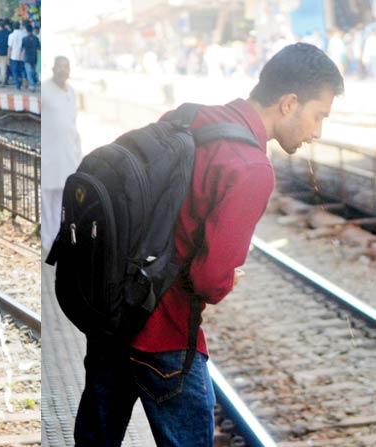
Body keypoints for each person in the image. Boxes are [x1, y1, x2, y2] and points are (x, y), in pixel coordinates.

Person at [73, 42, 344, 446]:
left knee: (95, 439)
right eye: (318, 115)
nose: (317, 132)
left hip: (112, 313)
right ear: (289, 103)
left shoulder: (188, 116)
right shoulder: (252, 168)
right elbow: (210, 281)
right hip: (165, 338)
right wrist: (228, 277)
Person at [41, 56, 81, 251]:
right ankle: (47, 241)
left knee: (63, 200)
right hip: (50, 156)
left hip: (67, 155)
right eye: (60, 67)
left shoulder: (71, 92)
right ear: (53, 68)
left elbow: (73, 125)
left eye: (67, 67)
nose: (63, 70)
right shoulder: (45, 91)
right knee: (47, 201)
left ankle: (60, 238)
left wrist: (78, 152)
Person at [21, 22, 40, 91]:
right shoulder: (36, 38)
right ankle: (34, 82)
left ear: (26, 30)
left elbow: (22, 49)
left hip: (27, 57)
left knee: (29, 72)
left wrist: (21, 56)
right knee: (33, 71)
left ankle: (32, 85)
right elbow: (39, 48)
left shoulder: (24, 39)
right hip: (34, 57)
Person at [7, 21, 26, 89]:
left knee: (14, 71)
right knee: (20, 70)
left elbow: (10, 47)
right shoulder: (24, 34)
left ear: (13, 27)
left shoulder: (11, 35)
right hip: (22, 56)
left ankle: (18, 84)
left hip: (13, 56)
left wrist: (8, 58)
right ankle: (21, 80)